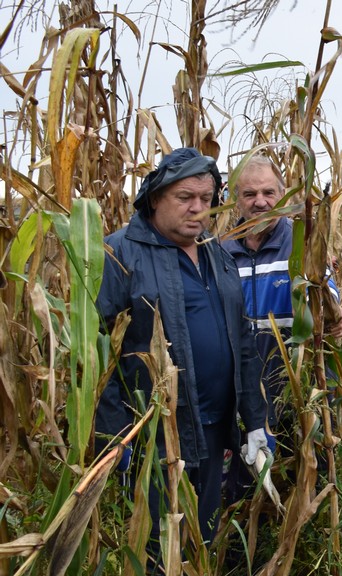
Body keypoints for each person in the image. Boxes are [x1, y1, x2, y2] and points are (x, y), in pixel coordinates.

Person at [96, 147, 270, 549]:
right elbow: (97, 352)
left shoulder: (216, 253)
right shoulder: (119, 253)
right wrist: (112, 438)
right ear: (156, 198)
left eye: (206, 200)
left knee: (202, 534)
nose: (197, 209)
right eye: (185, 198)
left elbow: (241, 341)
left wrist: (255, 419)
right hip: (155, 435)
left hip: (213, 429)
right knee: (158, 544)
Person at [221, 155, 342, 457]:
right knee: (249, 481)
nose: (260, 202)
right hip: (245, 393)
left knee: (301, 471)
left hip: (297, 385)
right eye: (249, 194)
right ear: (236, 199)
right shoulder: (222, 251)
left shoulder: (301, 241)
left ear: (283, 195)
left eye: (269, 193)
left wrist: (332, 310)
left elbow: (326, 298)